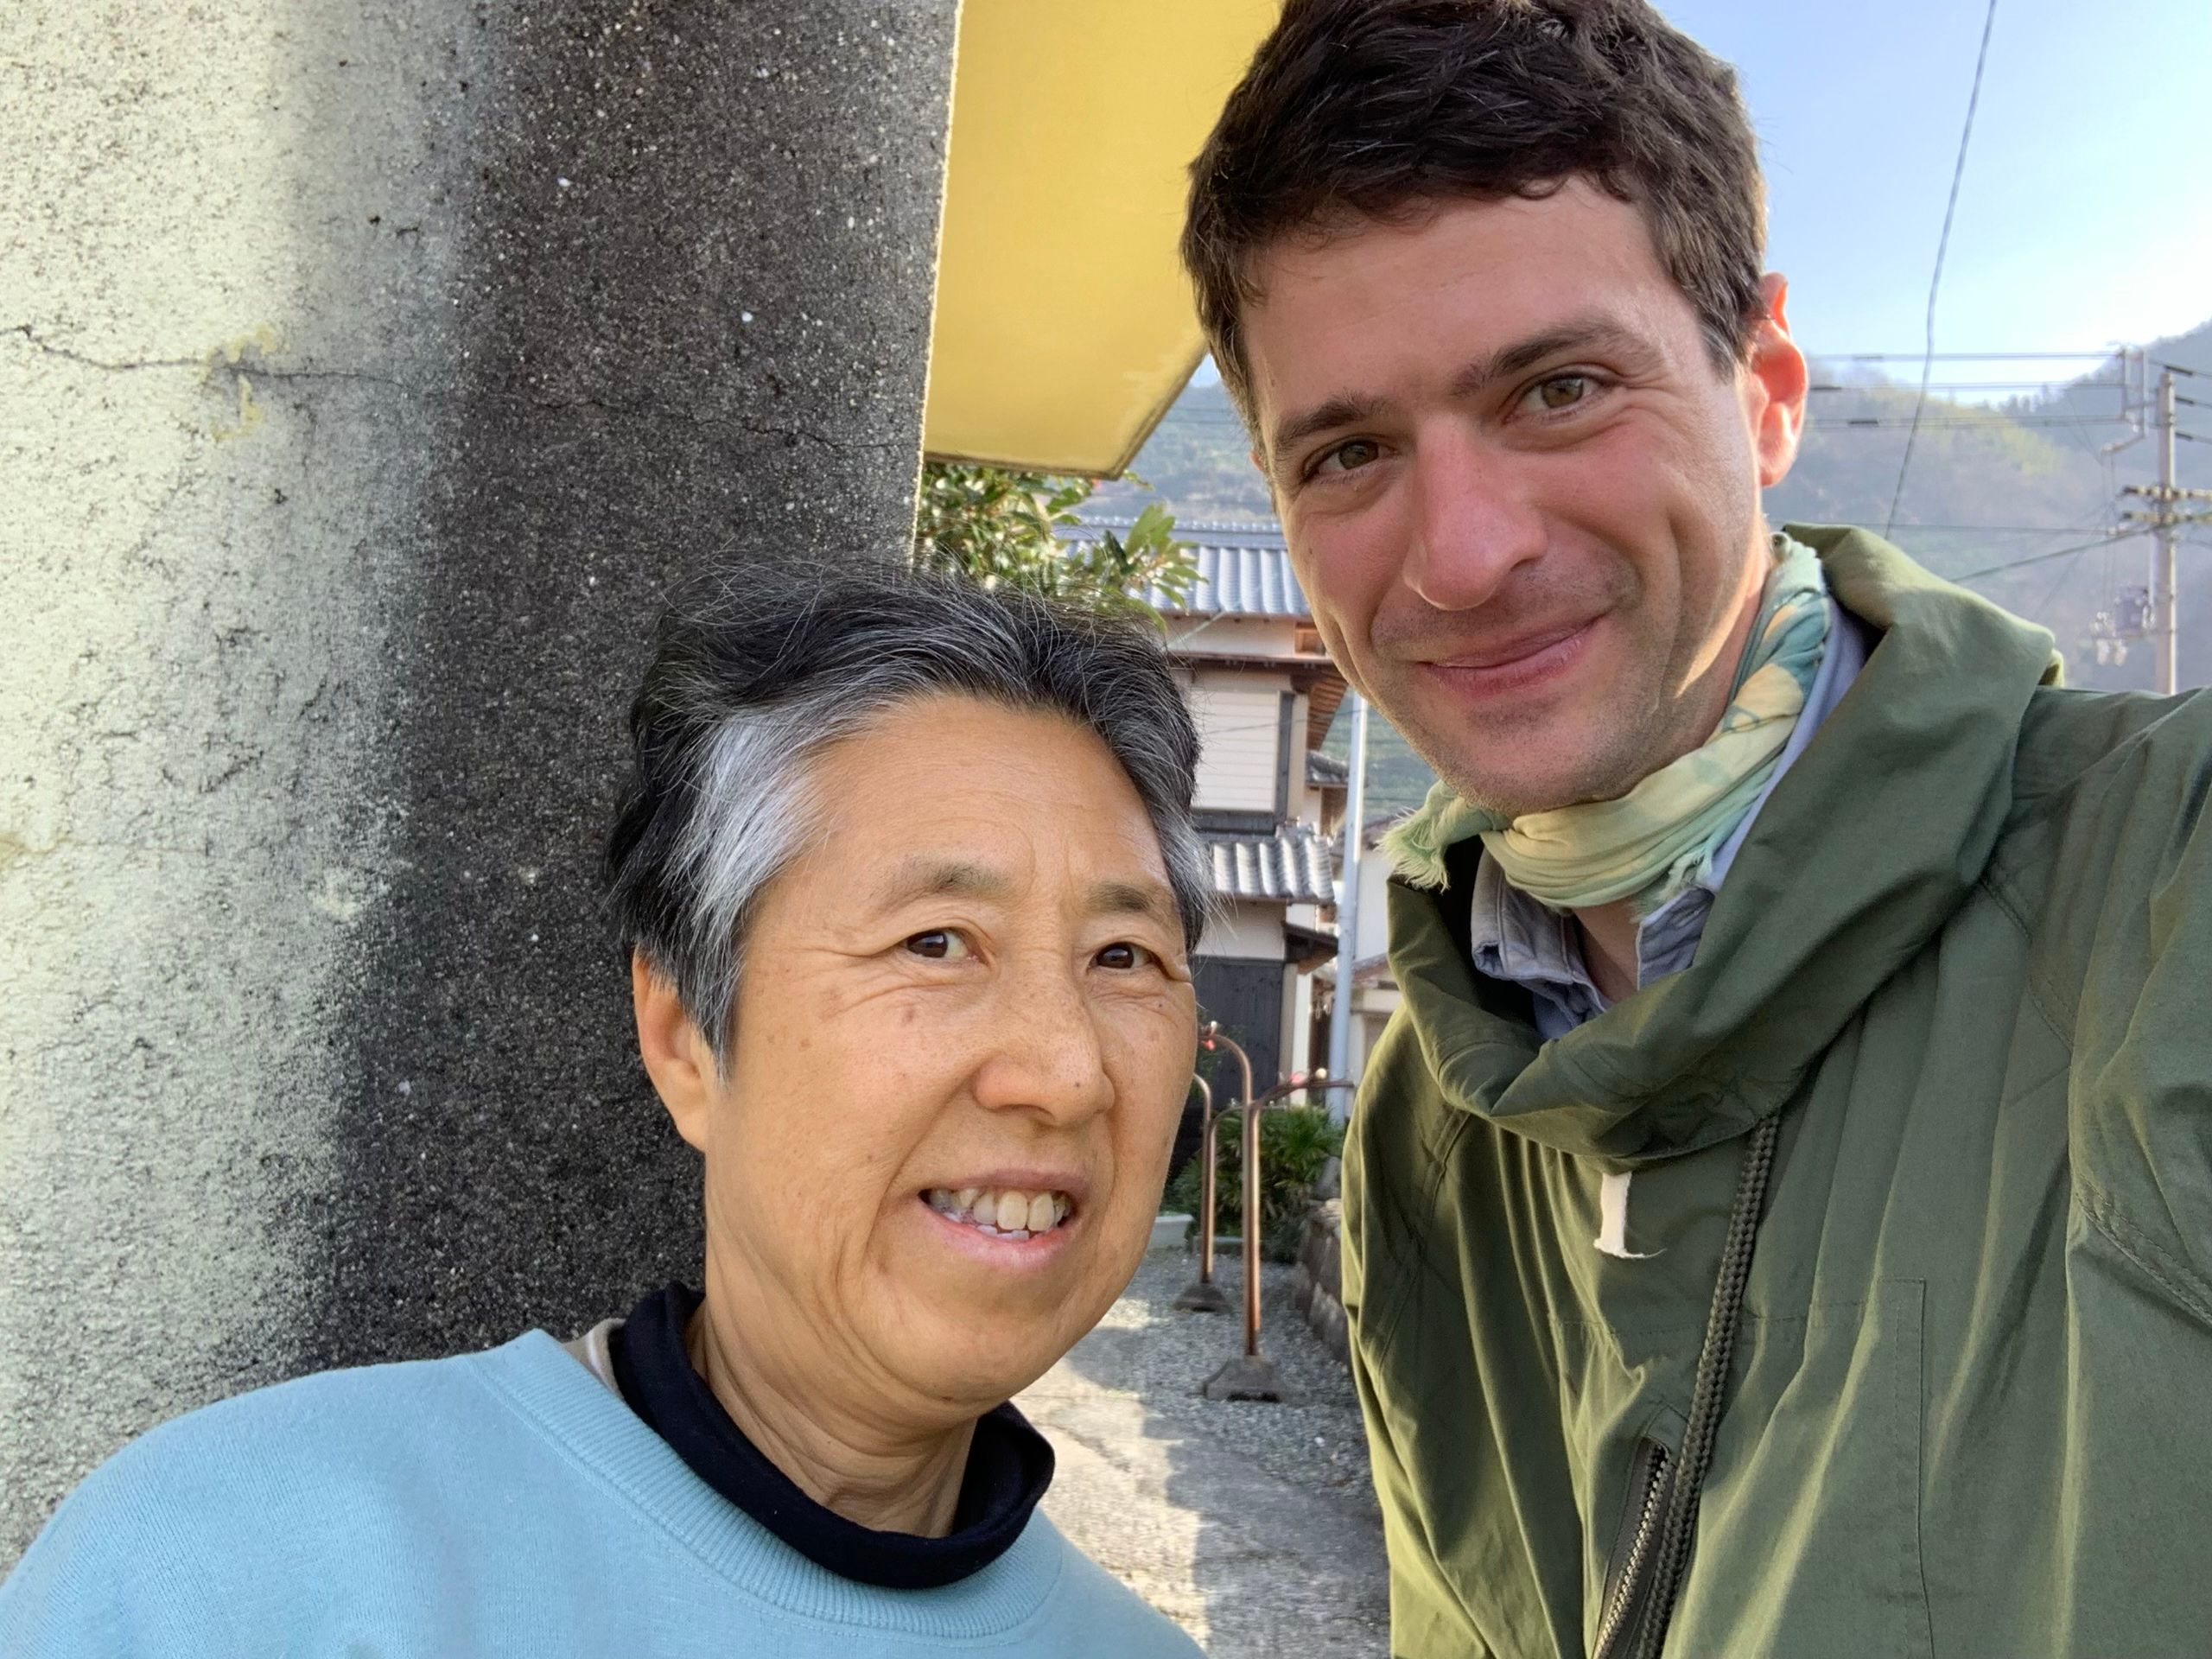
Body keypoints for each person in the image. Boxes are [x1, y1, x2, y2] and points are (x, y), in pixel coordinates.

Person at [1181, 2, 2212, 1656]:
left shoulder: (2172, 885)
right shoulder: (1424, 1125)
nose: (1458, 553)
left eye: (1561, 388)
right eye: (1352, 450)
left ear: (1769, 388)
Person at [0, 563, 1209, 1659]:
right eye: (936, 942)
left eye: (1123, 956)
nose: (1064, 1072)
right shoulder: (237, 1565)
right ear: (686, 1035)